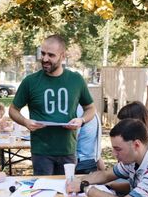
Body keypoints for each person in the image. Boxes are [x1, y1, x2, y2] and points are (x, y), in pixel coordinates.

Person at [9, 34, 96, 175]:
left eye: (51, 55)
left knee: (67, 192)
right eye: (42, 53)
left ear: (62, 56)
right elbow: (13, 110)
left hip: (67, 149)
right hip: (41, 151)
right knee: (44, 193)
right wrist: (25, 121)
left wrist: (81, 120)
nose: (44, 59)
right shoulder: (30, 81)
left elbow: (90, 108)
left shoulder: (76, 80)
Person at [75, 105, 105, 174]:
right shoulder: (91, 110)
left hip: (79, 163)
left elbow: (72, 140)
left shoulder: (78, 110)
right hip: (91, 161)